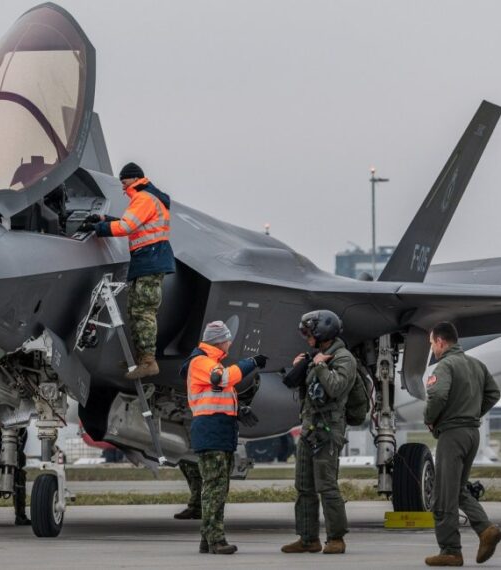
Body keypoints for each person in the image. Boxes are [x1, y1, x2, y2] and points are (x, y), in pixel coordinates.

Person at [87, 162, 176, 380]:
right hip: (146, 260)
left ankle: (148, 361)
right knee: (134, 310)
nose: (123, 187)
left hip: (151, 260)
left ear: (135, 179)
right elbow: (134, 224)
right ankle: (141, 357)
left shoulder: (144, 198)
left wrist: (99, 229)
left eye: (124, 181)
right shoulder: (147, 198)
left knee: (143, 311)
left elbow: (127, 227)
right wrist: (104, 220)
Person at [184, 320, 267, 554]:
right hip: (211, 433)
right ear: (219, 341)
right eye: (228, 339)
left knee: (217, 488)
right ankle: (216, 540)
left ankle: (207, 539)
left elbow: (215, 396)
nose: (230, 343)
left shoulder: (213, 364)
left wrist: (238, 411)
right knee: (215, 489)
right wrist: (251, 363)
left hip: (220, 432)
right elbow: (222, 379)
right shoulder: (201, 362)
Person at [423, 321, 501, 567]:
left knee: (443, 494)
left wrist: (430, 419)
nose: (432, 349)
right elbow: (494, 393)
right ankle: (485, 530)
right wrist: (472, 413)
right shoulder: (476, 365)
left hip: (453, 435)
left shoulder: (445, 365)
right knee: (456, 489)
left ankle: (450, 551)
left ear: (440, 342)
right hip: (472, 434)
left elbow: (437, 395)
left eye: (431, 343)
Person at [281, 310, 356, 555]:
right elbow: (309, 392)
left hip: (328, 430)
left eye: (308, 332)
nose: (306, 337)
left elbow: (335, 387)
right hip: (309, 428)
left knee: (326, 485)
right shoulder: (316, 357)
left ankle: (336, 538)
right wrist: (301, 368)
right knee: (304, 485)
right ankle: (307, 538)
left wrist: (320, 365)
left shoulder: (343, 358)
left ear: (323, 332)